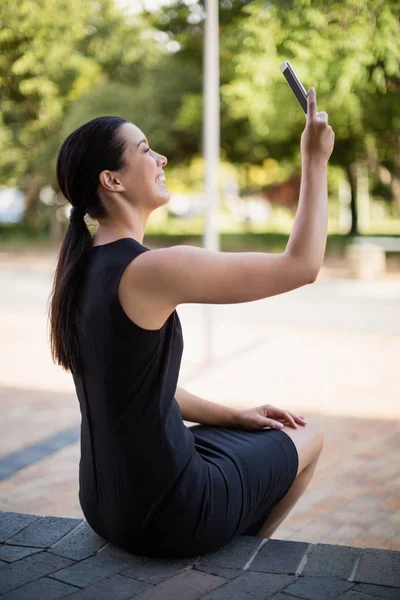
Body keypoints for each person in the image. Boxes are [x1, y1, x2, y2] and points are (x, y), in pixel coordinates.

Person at [48, 87, 334, 559]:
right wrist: (314, 158)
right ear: (111, 181)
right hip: (169, 513)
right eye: (144, 150)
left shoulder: (80, 269)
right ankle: (241, 566)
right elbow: (301, 266)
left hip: (103, 504)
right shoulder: (150, 270)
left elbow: (136, 387)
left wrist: (234, 415)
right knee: (310, 435)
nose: (160, 158)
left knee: (253, 435)